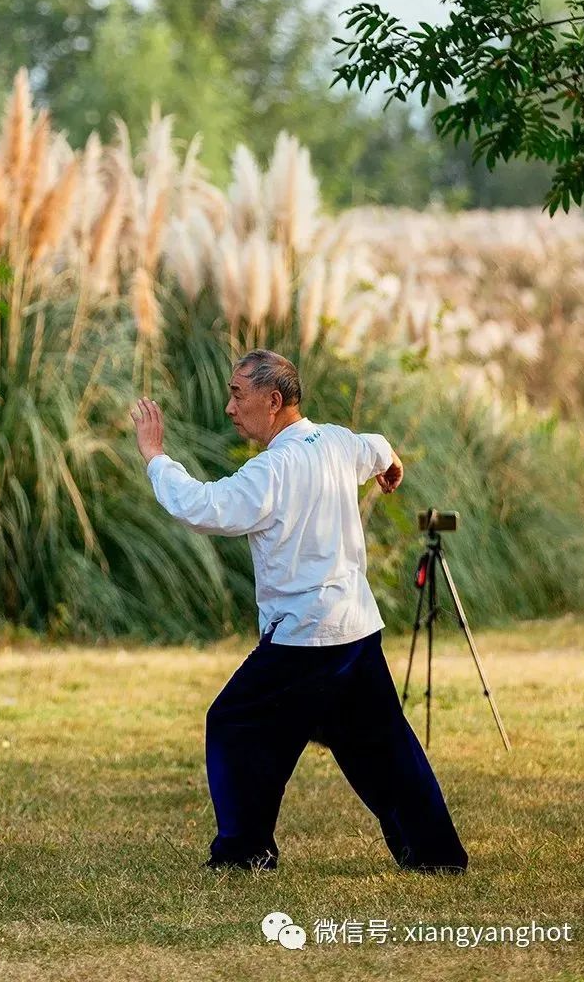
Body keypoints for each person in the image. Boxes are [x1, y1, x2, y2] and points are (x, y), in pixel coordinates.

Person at [129, 348, 469, 876]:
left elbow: (204, 506)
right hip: (355, 630)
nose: (228, 407)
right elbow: (374, 447)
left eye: (238, 395)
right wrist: (391, 460)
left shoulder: (274, 469)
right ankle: (437, 855)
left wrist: (155, 456)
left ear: (274, 400)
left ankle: (244, 853)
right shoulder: (334, 440)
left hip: (305, 640)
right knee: (381, 746)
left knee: (234, 724)